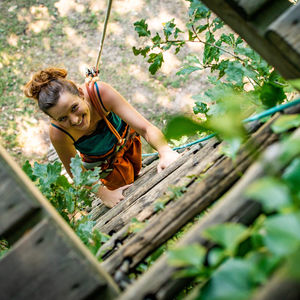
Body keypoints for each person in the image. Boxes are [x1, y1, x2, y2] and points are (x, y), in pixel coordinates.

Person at [24, 67, 179, 208]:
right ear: (54, 119)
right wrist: (104, 194)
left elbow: (145, 128)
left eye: (74, 108)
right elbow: (77, 172)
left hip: (128, 142)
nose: (75, 120)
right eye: (63, 118)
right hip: (106, 166)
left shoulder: (100, 93)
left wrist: (165, 151)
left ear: (81, 93)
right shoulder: (58, 134)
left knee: (137, 170)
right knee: (128, 190)